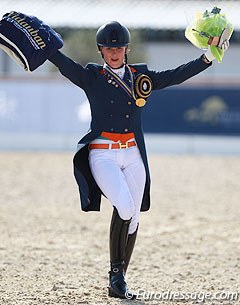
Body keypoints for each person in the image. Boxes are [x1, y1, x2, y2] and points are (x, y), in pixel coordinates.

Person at [0, 14, 229, 300]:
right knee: (123, 206)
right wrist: (44, 45)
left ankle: (119, 279)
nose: (114, 52)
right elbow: (63, 64)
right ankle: (115, 275)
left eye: (118, 48)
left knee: (133, 218)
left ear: (126, 50)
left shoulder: (140, 77)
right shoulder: (92, 77)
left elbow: (175, 75)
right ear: (101, 51)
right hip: (103, 154)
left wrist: (208, 56)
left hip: (132, 153)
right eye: (108, 49)